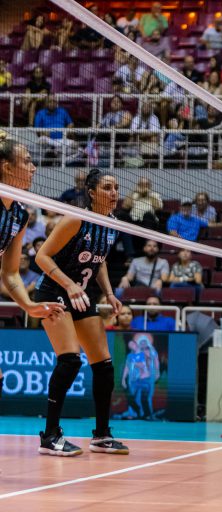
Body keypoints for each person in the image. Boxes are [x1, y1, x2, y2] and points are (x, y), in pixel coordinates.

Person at [34, 168, 128, 457]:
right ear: (92, 192)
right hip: (54, 291)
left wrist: (110, 294)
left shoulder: (111, 222)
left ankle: (101, 435)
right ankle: (50, 436)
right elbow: (41, 256)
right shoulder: (76, 218)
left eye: (116, 188)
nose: (114, 193)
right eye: (108, 188)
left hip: (81, 295)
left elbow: (98, 262)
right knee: (70, 360)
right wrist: (69, 286)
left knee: (104, 364)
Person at [0, 137, 66, 406]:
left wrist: (28, 304)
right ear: (6, 167)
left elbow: (11, 272)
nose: (34, 167)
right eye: (27, 160)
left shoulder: (19, 214)